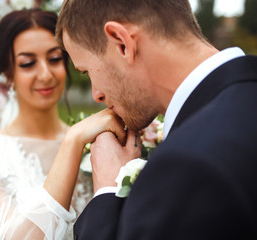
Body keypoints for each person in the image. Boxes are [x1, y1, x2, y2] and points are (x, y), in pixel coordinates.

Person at [47, 0, 257, 239]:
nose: (97, 95)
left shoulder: (187, 165)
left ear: (122, 43)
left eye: (86, 70)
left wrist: (108, 191)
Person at [0, 9, 93, 240]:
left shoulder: (95, 142)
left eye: (55, 59)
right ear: (8, 73)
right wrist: (72, 142)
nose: (45, 74)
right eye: (28, 63)